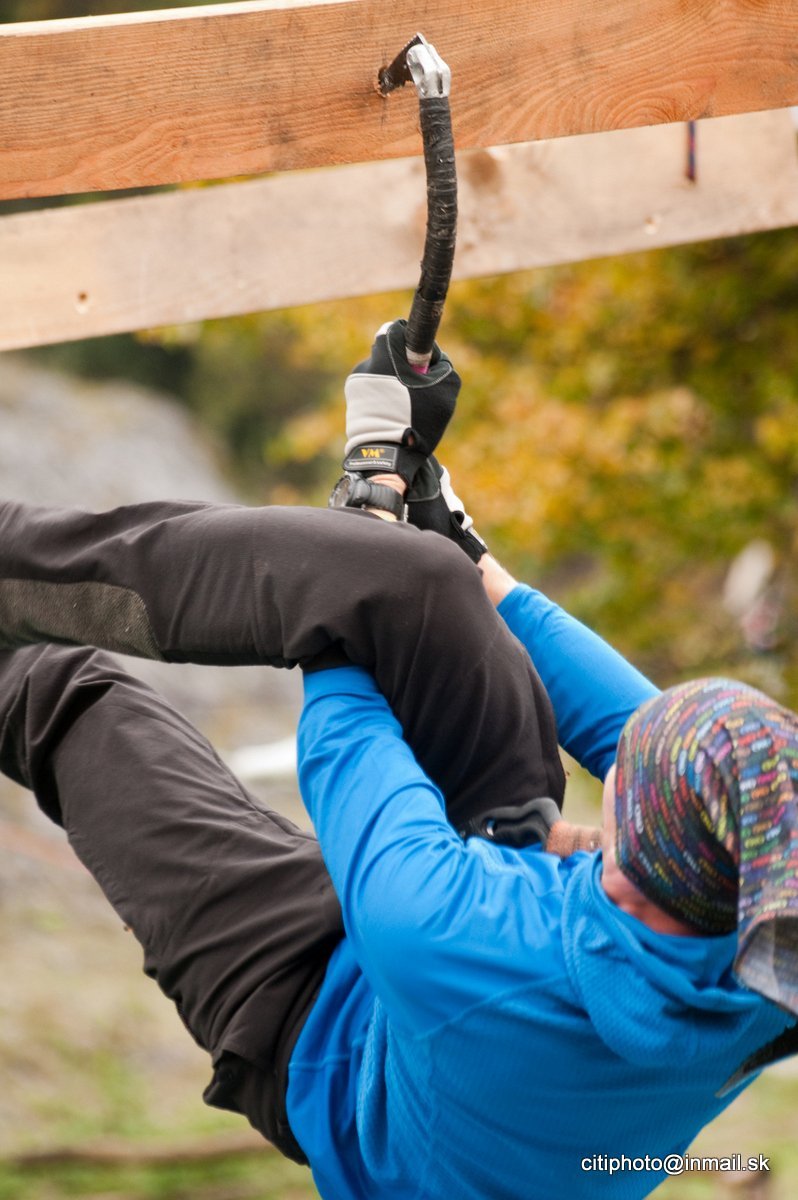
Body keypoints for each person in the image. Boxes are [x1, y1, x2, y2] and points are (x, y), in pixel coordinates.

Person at [0, 322, 796, 1200]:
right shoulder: (767, 917)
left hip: (310, 1031)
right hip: (476, 1008)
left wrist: (366, 506)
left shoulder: (459, 934)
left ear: (630, 854)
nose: (615, 761)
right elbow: (638, 731)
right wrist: (456, 542)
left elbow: (346, 739)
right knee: (418, 585)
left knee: (60, 694)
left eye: (623, 780)